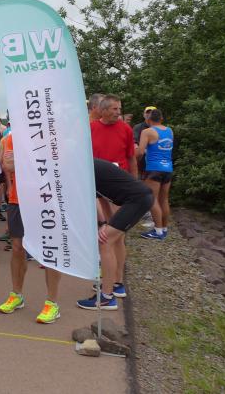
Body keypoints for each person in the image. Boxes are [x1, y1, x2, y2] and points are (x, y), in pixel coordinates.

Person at [0, 131, 63, 324]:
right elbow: (8, 165)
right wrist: (37, 161)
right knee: (17, 248)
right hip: (18, 200)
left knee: (49, 250)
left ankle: (52, 303)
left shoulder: (51, 135)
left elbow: (57, 165)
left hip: (46, 200)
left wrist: (23, 161)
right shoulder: (12, 137)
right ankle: (16, 295)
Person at [77, 159, 153, 310]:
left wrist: (103, 226)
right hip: (139, 198)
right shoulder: (87, 165)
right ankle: (117, 284)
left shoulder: (83, 169)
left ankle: (106, 298)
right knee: (116, 238)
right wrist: (106, 223)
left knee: (104, 241)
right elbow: (103, 199)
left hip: (137, 200)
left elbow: (91, 201)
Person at [89, 94, 138, 302]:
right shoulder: (91, 128)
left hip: (121, 188)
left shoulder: (125, 129)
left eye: (119, 109)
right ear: (103, 110)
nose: (118, 112)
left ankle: (117, 282)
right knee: (104, 233)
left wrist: (135, 182)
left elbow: (131, 157)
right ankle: (108, 278)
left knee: (117, 235)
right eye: (115, 109)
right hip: (99, 186)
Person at [137, 108, 174, 240]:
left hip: (154, 169)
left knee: (152, 199)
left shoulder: (147, 132)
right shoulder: (170, 131)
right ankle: (164, 228)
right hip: (168, 168)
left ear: (148, 119)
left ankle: (157, 232)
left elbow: (140, 152)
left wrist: (133, 158)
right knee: (164, 200)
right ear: (161, 118)